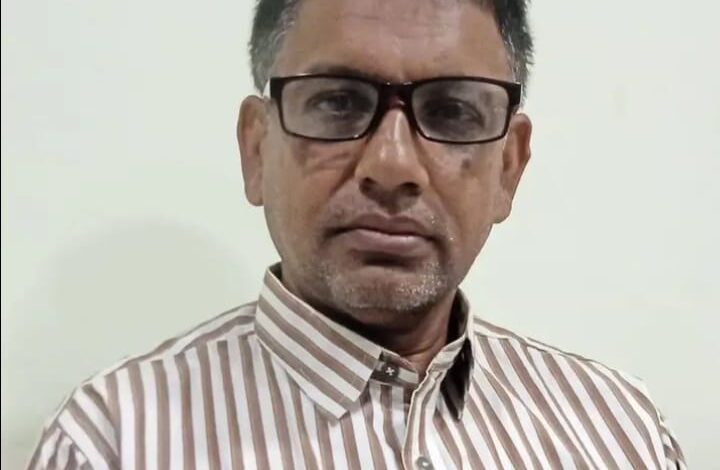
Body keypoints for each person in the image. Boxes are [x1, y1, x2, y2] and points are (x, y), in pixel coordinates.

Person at [28, 0, 686, 468]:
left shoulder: (619, 433)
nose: (393, 166)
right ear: (256, 150)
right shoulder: (113, 441)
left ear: (508, 168)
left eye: (452, 111)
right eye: (338, 102)